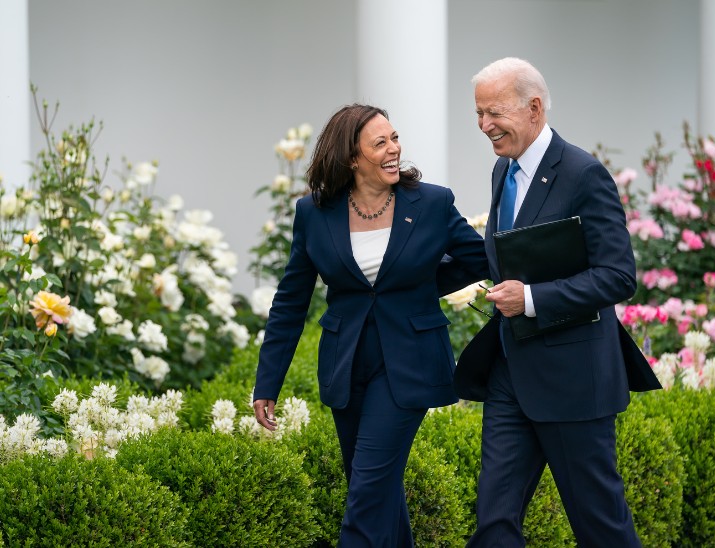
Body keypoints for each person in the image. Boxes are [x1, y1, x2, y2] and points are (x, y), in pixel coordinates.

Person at [252, 103, 488, 547]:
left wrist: (422, 286)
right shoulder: (314, 212)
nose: (394, 149)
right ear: (351, 158)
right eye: (380, 143)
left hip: (409, 363)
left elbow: (478, 258)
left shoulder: (432, 203)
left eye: (394, 138)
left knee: (365, 494)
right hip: (347, 364)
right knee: (377, 489)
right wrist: (267, 383)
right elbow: (290, 301)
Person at [459, 57, 661, 547]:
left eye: (495, 113)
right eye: (479, 113)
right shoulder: (501, 171)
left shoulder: (583, 174)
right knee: (494, 522)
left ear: (534, 108)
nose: (485, 125)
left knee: (600, 527)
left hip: (574, 380)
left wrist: (530, 298)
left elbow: (617, 276)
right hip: (511, 374)